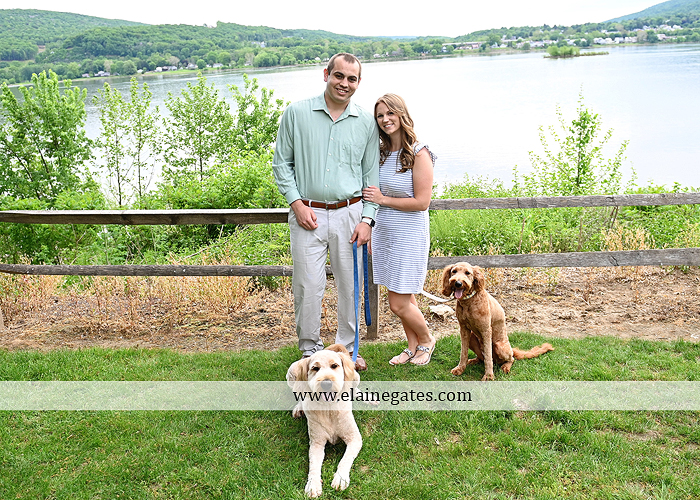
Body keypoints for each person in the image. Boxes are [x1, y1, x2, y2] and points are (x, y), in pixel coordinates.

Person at [272, 53, 380, 371]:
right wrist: (296, 203)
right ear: (326, 74)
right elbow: (282, 165)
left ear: (358, 83)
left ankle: (346, 352)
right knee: (307, 286)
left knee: (350, 286)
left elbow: (371, 176)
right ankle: (310, 353)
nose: (344, 83)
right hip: (307, 214)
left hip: (351, 214)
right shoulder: (296, 113)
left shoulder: (366, 123)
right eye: (339, 76)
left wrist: (367, 219)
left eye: (351, 79)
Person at [362, 93, 436, 366]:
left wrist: (383, 200)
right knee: (404, 294)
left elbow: (422, 202)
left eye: (390, 113)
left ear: (402, 114)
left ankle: (427, 339)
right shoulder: (380, 154)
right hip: (385, 233)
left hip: (409, 234)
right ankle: (412, 346)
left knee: (398, 303)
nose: (385, 120)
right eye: (380, 115)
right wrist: (372, 227)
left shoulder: (419, 152)